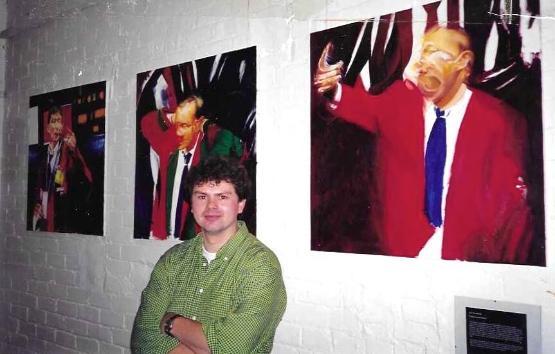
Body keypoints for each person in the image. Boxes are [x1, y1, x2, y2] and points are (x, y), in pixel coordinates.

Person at [313, 25, 533, 263]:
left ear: (464, 62)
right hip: (406, 254)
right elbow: (362, 106)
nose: (423, 63)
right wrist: (332, 90)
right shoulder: (402, 101)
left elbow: (511, 211)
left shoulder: (497, 121)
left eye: (435, 53)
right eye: (423, 53)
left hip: (466, 259)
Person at [131, 156, 287, 353]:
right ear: (192, 204)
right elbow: (142, 340)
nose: (211, 206)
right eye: (202, 196)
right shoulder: (172, 260)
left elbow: (232, 347)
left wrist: (171, 321)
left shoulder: (261, 265)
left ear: (240, 205)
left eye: (222, 196)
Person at [141, 95, 244, 240]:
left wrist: (208, 126)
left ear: (198, 124)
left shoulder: (209, 153)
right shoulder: (168, 146)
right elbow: (147, 122)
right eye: (175, 124)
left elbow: (235, 146)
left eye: (184, 125)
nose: (177, 132)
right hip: (163, 237)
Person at [31, 105, 92, 232]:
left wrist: (74, 150)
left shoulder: (67, 151)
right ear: (48, 128)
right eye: (53, 121)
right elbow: (38, 185)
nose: (57, 126)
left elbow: (86, 175)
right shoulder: (43, 156)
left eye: (59, 121)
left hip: (61, 216)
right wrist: (37, 203)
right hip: (44, 214)